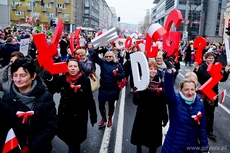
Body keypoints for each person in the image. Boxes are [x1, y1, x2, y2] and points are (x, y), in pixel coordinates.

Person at [0, 58, 58, 153]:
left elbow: (51, 126)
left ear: (33, 76)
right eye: (15, 75)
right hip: (13, 147)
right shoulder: (7, 98)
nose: (18, 79)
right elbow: (3, 124)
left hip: (38, 148)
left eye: (22, 75)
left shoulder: (45, 97)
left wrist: (31, 147)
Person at [43, 58, 97, 153]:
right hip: (65, 115)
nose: (72, 68)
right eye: (70, 66)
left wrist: (93, 115)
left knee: (75, 143)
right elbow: (51, 90)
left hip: (79, 116)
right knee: (66, 137)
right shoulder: (62, 79)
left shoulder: (85, 81)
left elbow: (90, 99)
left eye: (75, 66)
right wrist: (49, 79)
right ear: (67, 67)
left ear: (79, 68)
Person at [161, 59, 209, 153]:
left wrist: (205, 147)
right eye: (186, 89)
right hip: (174, 145)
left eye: (192, 89)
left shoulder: (199, 104)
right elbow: (168, 91)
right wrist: (169, 71)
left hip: (192, 147)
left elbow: (202, 129)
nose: (190, 92)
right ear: (181, 89)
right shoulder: (175, 100)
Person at [130, 60, 168, 153]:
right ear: (146, 70)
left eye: (155, 69)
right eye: (151, 68)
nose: (153, 71)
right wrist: (136, 93)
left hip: (155, 116)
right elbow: (136, 102)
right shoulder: (141, 82)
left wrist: (165, 117)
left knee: (153, 141)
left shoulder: (160, 82)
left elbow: (163, 102)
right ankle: (139, 150)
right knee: (140, 136)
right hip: (143, 113)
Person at [193, 51, 230, 141]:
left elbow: (222, 79)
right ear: (205, 58)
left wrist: (225, 71)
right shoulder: (201, 67)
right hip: (202, 93)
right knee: (201, 112)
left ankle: (209, 131)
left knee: (211, 113)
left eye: (212, 58)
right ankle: (198, 130)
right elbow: (196, 77)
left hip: (212, 94)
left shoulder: (216, 67)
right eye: (209, 58)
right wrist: (196, 70)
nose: (211, 60)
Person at [92, 50, 125, 127]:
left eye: (110, 56)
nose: (108, 58)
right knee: (101, 104)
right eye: (106, 56)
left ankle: (110, 118)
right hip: (103, 87)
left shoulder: (117, 65)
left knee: (111, 104)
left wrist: (116, 75)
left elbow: (123, 75)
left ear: (112, 57)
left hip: (113, 88)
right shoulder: (102, 63)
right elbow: (95, 57)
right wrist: (96, 50)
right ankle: (104, 118)